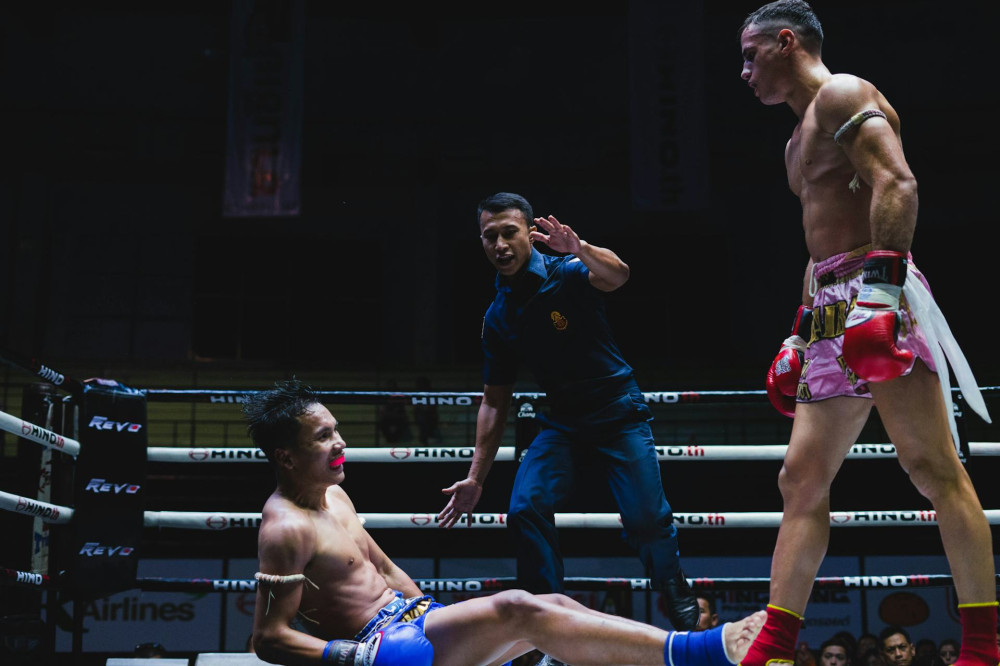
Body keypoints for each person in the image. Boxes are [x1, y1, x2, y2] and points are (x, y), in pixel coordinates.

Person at [737, 3, 998, 666]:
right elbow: (818, 250)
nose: (744, 72)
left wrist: (879, 295)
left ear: (786, 42)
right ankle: (776, 645)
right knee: (801, 478)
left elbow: (897, 181)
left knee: (932, 468)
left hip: (880, 283)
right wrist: (800, 335)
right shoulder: (794, 144)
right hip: (829, 301)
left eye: (750, 55)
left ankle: (983, 646)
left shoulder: (845, 93)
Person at [244, 379, 766, 666]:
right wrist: (355, 658)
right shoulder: (285, 528)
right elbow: (269, 638)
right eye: (323, 437)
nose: (340, 443)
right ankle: (701, 652)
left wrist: (437, 616)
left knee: (554, 607)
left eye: (336, 430)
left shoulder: (335, 494)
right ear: (285, 456)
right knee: (519, 607)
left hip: (414, 627)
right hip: (383, 649)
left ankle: (682, 656)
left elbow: (384, 568)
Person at [437, 191, 700, 632]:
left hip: (617, 411)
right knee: (524, 507)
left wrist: (580, 248)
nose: (499, 245)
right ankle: (548, 614)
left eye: (508, 232)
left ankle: (671, 582)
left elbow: (619, 274)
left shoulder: (568, 271)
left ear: (529, 233)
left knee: (645, 519)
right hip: (563, 421)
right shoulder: (497, 316)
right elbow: (494, 400)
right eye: (489, 236)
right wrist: (476, 478)